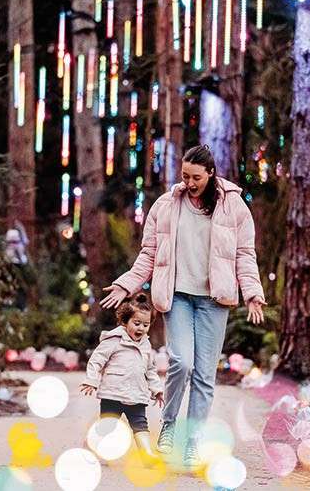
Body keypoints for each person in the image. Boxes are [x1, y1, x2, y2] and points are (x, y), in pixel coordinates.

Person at [99, 144, 266, 468]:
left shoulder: (233, 206)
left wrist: (253, 292)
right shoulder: (166, 205)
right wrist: (126, 283)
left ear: (211, 174)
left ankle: (191, 442)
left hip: (213, 301)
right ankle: (170, 425)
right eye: (185, 176)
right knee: (182, 362)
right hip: (177, 296)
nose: (189, 183)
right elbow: (148, 254)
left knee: (204, 375)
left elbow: (245, 254)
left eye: (196, 177)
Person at [79, 293, 165, 461]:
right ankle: (89, 448)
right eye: (137, 323)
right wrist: (91, 380)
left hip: (137, 394)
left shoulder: (146, 345)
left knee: (140, 425)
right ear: (125, 322)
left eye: (146, 325)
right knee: (107, 426)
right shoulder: (113, 341)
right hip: (113, 394)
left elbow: (150, 370)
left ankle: (147, 455)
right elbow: (96, 361)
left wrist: (156, 389)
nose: (141, 328)